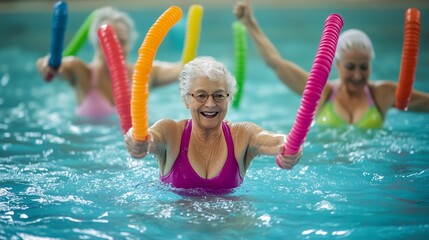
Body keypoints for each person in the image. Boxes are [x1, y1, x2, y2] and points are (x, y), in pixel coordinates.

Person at [234, 0, 429, 129]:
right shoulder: (320, 92)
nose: (358, 75)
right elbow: (276, 63)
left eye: (364, 67)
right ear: (337, 64)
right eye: (350, 67)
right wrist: (250, 23)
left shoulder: (382, 93)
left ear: (371, 65)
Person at [125, 56, 302, 191]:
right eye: (201, 95)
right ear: (187, 100)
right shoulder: (171, 132)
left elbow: (274, 140)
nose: (210, 104)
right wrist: (137, 139)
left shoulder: (241, 135)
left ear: (228, 99)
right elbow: (149, 137)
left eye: (219, 95)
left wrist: (290, 148)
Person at [36, 6, 183, 119]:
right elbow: (55, 65)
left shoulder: (144, 73)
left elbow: (183, 70)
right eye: (109, 40)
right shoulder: (80, 72)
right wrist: (48, 64)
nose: (116, 47)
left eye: (122, 42)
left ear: (130, 44)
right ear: (96, 42)